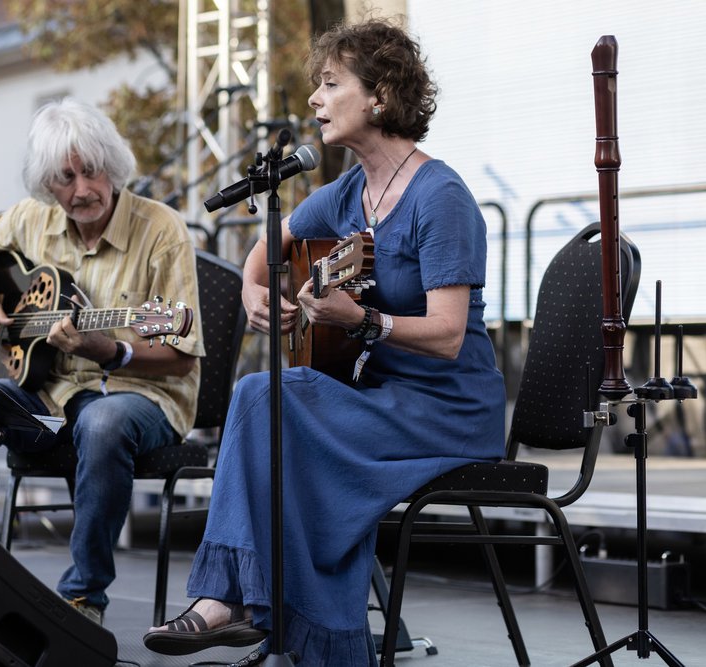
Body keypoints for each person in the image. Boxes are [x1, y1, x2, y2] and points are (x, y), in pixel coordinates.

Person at [142, 18, 505, 666]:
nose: (314, 98)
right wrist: (253, 291)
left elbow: (449, 335)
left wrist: (360, 320)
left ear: (380, 96)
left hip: (446, 410)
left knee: (270, 406)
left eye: (332, 83)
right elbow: (266, 249)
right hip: (377, 397)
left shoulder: (440, 197)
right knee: (260, 395)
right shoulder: (348, 192)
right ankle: (244, 604)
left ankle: (258, 610)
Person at [0, 97, 204, 625]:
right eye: (65, 177)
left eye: (92, 171)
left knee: (103, 422)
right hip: (46, 393)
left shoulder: (162, 230)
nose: (82, 189)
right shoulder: (31, 219)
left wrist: (113, 350)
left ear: (113, 166)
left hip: (142, 398)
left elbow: (180, 358)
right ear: (46, 183)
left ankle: (82, 601)